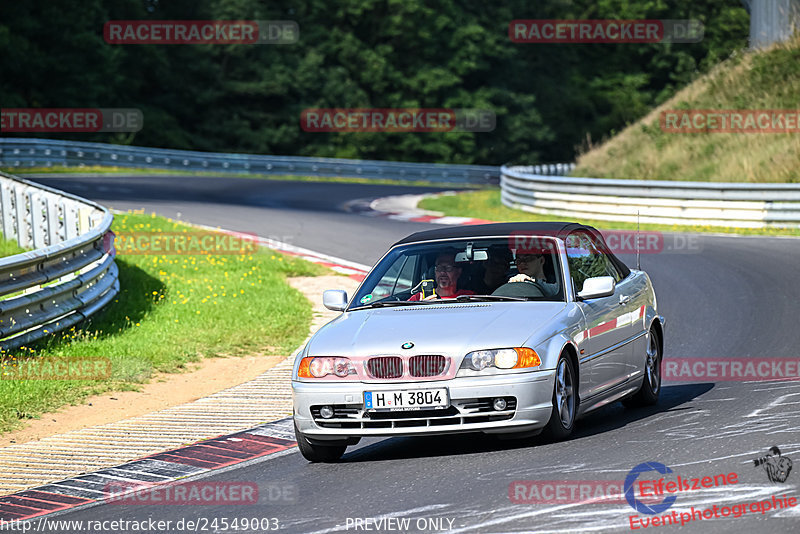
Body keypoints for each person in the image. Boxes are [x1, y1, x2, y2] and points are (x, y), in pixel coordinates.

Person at [409, 251, 474, 301]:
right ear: (434, 271)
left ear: (458, 272)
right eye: (439, 268)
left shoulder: (469, 297)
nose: (442, 272)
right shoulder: (419, 298)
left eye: (448, 268)